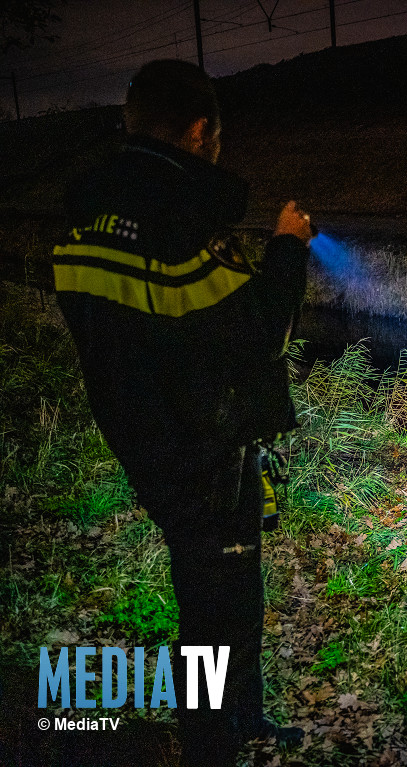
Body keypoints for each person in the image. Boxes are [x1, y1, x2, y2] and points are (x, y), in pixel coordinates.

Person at [51, 59, 312, 765]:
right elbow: (259, 333)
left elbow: (143, 335)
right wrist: (287, 247)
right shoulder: (184, 227)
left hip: (148, 441)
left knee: (228, 587)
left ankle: (244, 719)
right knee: (214, 607)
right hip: (204, 451)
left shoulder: (87, 223)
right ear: (200, 133)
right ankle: (211, 744)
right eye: (216, 137)